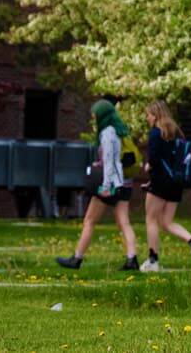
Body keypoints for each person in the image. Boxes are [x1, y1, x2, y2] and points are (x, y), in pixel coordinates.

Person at [56, 100, 139, 271]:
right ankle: (132, 259)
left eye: (95, 115)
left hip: (110, 184)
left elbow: (109, 162)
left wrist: (106, 186)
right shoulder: (118, 132)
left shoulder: (107, 134)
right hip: (122, 183)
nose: (93, 118)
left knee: (89, 221)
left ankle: (77, 258)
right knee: (124, 223)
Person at [139, 101, 191, 272]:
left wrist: (148, 167)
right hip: (177, 183)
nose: (147, 118)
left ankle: (153, 261)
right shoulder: (176, 132)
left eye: (148, 114)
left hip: (160, 183)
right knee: (166, 222)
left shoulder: (156, 133)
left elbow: (154, 159)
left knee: (151, 219)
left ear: (155, 114)